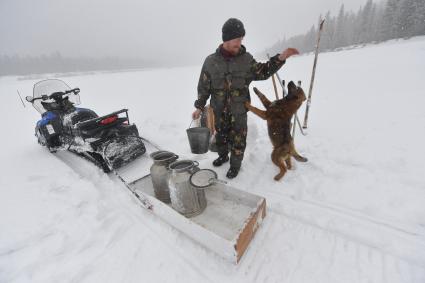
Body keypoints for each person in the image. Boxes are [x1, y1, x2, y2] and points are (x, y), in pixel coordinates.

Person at [192, 18, 299, 179]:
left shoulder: (246, 59)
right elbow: (204, 86)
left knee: (238, 139)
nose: (240, 43)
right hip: (219, 110)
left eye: (241, 39)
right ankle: (222, 156)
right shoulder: (210, 62)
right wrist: (199, 106)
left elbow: (263, 71)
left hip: (239, 110)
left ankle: (235, 165)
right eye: (237, 39)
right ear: (226, 39)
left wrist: (281, 58)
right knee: (220, 135)